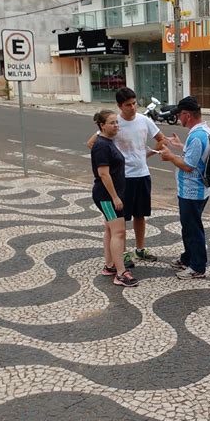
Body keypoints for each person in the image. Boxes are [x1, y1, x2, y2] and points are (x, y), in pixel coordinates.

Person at [88, 87, 180, 267]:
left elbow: (161, 139)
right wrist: (113, 161)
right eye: (128, 105)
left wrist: (147, 154)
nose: (132, 107)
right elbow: (92, 143)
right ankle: (122, 253)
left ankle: (140, 248)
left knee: (140, 214)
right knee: (121, 219)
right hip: (123, 178)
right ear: (120, 106)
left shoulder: (144, 120)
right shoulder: (114, 123)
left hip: (142, 174)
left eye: (134, 103)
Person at [159, 96, 210, 280]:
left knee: (192, 229)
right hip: (196, 190)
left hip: (192, 190)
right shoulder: (204, 131)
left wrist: (170, 156)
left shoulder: (197, 136)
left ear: (186, 115)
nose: (178, 119)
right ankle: (188, 258)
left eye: (179, 115)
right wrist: (180, 146)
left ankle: (197, 267)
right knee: (189, 226)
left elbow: (189, 165)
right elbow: (196, 156)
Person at [90, 110, 139, 288]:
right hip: (106, 196)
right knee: (119, 232)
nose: (116, 125)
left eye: (117, 122)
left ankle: (110, 266)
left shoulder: (108, 142)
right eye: (112, 123)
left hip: (109, 195)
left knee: (110, 230)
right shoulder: (102, 145)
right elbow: (103, 174)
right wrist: (115, 197)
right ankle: (120, 273)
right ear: (102, 126)